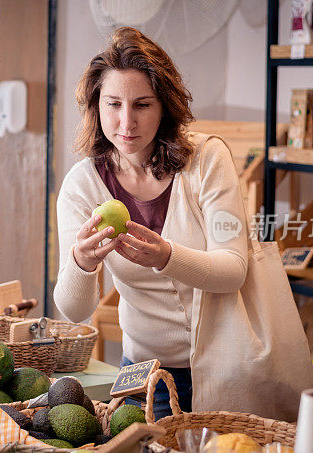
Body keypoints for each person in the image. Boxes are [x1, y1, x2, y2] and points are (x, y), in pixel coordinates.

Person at [53, 27, 251, 420]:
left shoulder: (208, 160)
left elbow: (235, 270)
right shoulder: (82, 185)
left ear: (165, 107)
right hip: (145, 376)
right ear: (96, 106)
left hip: (226, 368)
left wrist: (167, 256)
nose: (126, 122)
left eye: (142, 104)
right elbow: (73, 311)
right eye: (113, 104)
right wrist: (81, 261)